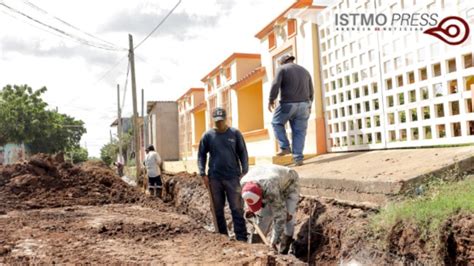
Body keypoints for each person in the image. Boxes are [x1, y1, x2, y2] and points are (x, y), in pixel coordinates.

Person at [198, 107, 249, 242]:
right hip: (215, 179)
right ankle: (223, 237)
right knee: (217, 209)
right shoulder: (207, 136)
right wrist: (202, 173)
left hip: (233, 177)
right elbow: (201, 155)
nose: (219, 123)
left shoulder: (235, 133)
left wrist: (245, 170)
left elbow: (243, 152)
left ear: (226, 119)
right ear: (213, 121)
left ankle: (241, 237)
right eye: (216, 121)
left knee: (237, 208)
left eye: (221, 121)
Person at [240, 164, 300, 254]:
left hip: (289, 182)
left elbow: (280, 217)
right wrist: (248, 209)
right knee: (264, 217)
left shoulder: (271, 189)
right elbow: (248, 197)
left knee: (288, 217)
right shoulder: (244, 182)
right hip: (268, 183)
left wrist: (273, 242)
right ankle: (256, 247)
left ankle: (284, 249)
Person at [268, 54, 314, 166]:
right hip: (304, 104)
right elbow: (311, 90)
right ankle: (298, 158)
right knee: (299, 132)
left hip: (288, 104)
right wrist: (309, 105)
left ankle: (285, 147)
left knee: (276, 123)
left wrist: (271, 99)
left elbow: (275, 84)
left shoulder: (282, 69)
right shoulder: (305, 71)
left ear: (283, 62)